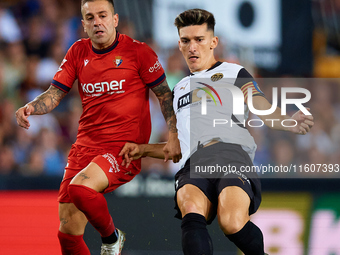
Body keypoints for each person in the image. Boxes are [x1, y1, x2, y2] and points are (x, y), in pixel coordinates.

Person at [119, 8, 314, 255]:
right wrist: (142, 150)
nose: (192, 47)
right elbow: (176, 147)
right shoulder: (177, 90)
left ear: (213, 42)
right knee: (190, 207)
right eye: (186, 40)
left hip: (231, 156)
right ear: (179, 44)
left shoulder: (235, 73)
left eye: (199, 39)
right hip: (194, 162)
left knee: (231, 222)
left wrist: (287, 121)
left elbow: (260, 105)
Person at [15, 0, 181, 254]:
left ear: (114, 19)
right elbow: (55, 93)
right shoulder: (77, 52)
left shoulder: (139, 52)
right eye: (90, 17)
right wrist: (31, 107)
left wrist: (173, 135)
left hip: (122, 148)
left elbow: (164, 95)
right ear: (83, 25)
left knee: (80, 188)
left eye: (102, 15)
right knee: (68, 231)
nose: (97, 22)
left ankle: (112, 238)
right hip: (85, 146)